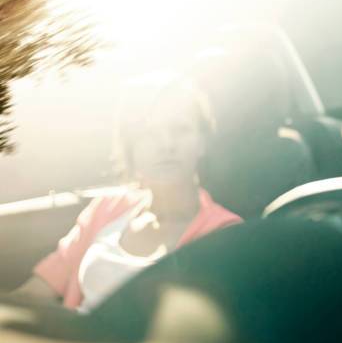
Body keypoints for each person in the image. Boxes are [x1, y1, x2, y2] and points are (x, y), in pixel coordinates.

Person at [12, 75, 242, 312]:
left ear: (202, 142)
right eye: (149, 133)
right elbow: (36, 291)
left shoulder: (226, 234)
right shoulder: (106, 208)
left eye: (180, 130)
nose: (166, 144)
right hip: (68, 341)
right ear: (131, 147)